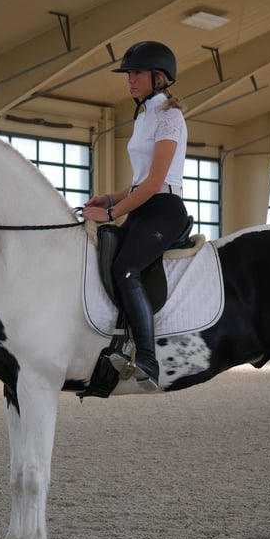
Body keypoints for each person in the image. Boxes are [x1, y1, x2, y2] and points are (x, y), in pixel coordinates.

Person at [82, 41, 189, 390]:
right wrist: (109, 196)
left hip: (164, 209)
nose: (130, 79)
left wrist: (111, 212)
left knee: (126, 268)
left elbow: (156, 182)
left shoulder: (170, 117)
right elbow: (139, 184)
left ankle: (147, 358)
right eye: (129, 74)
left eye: (137, 73)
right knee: (108, 257)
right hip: (143, 206)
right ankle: (119, 342)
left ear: (158, 77)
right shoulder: (144, 116)